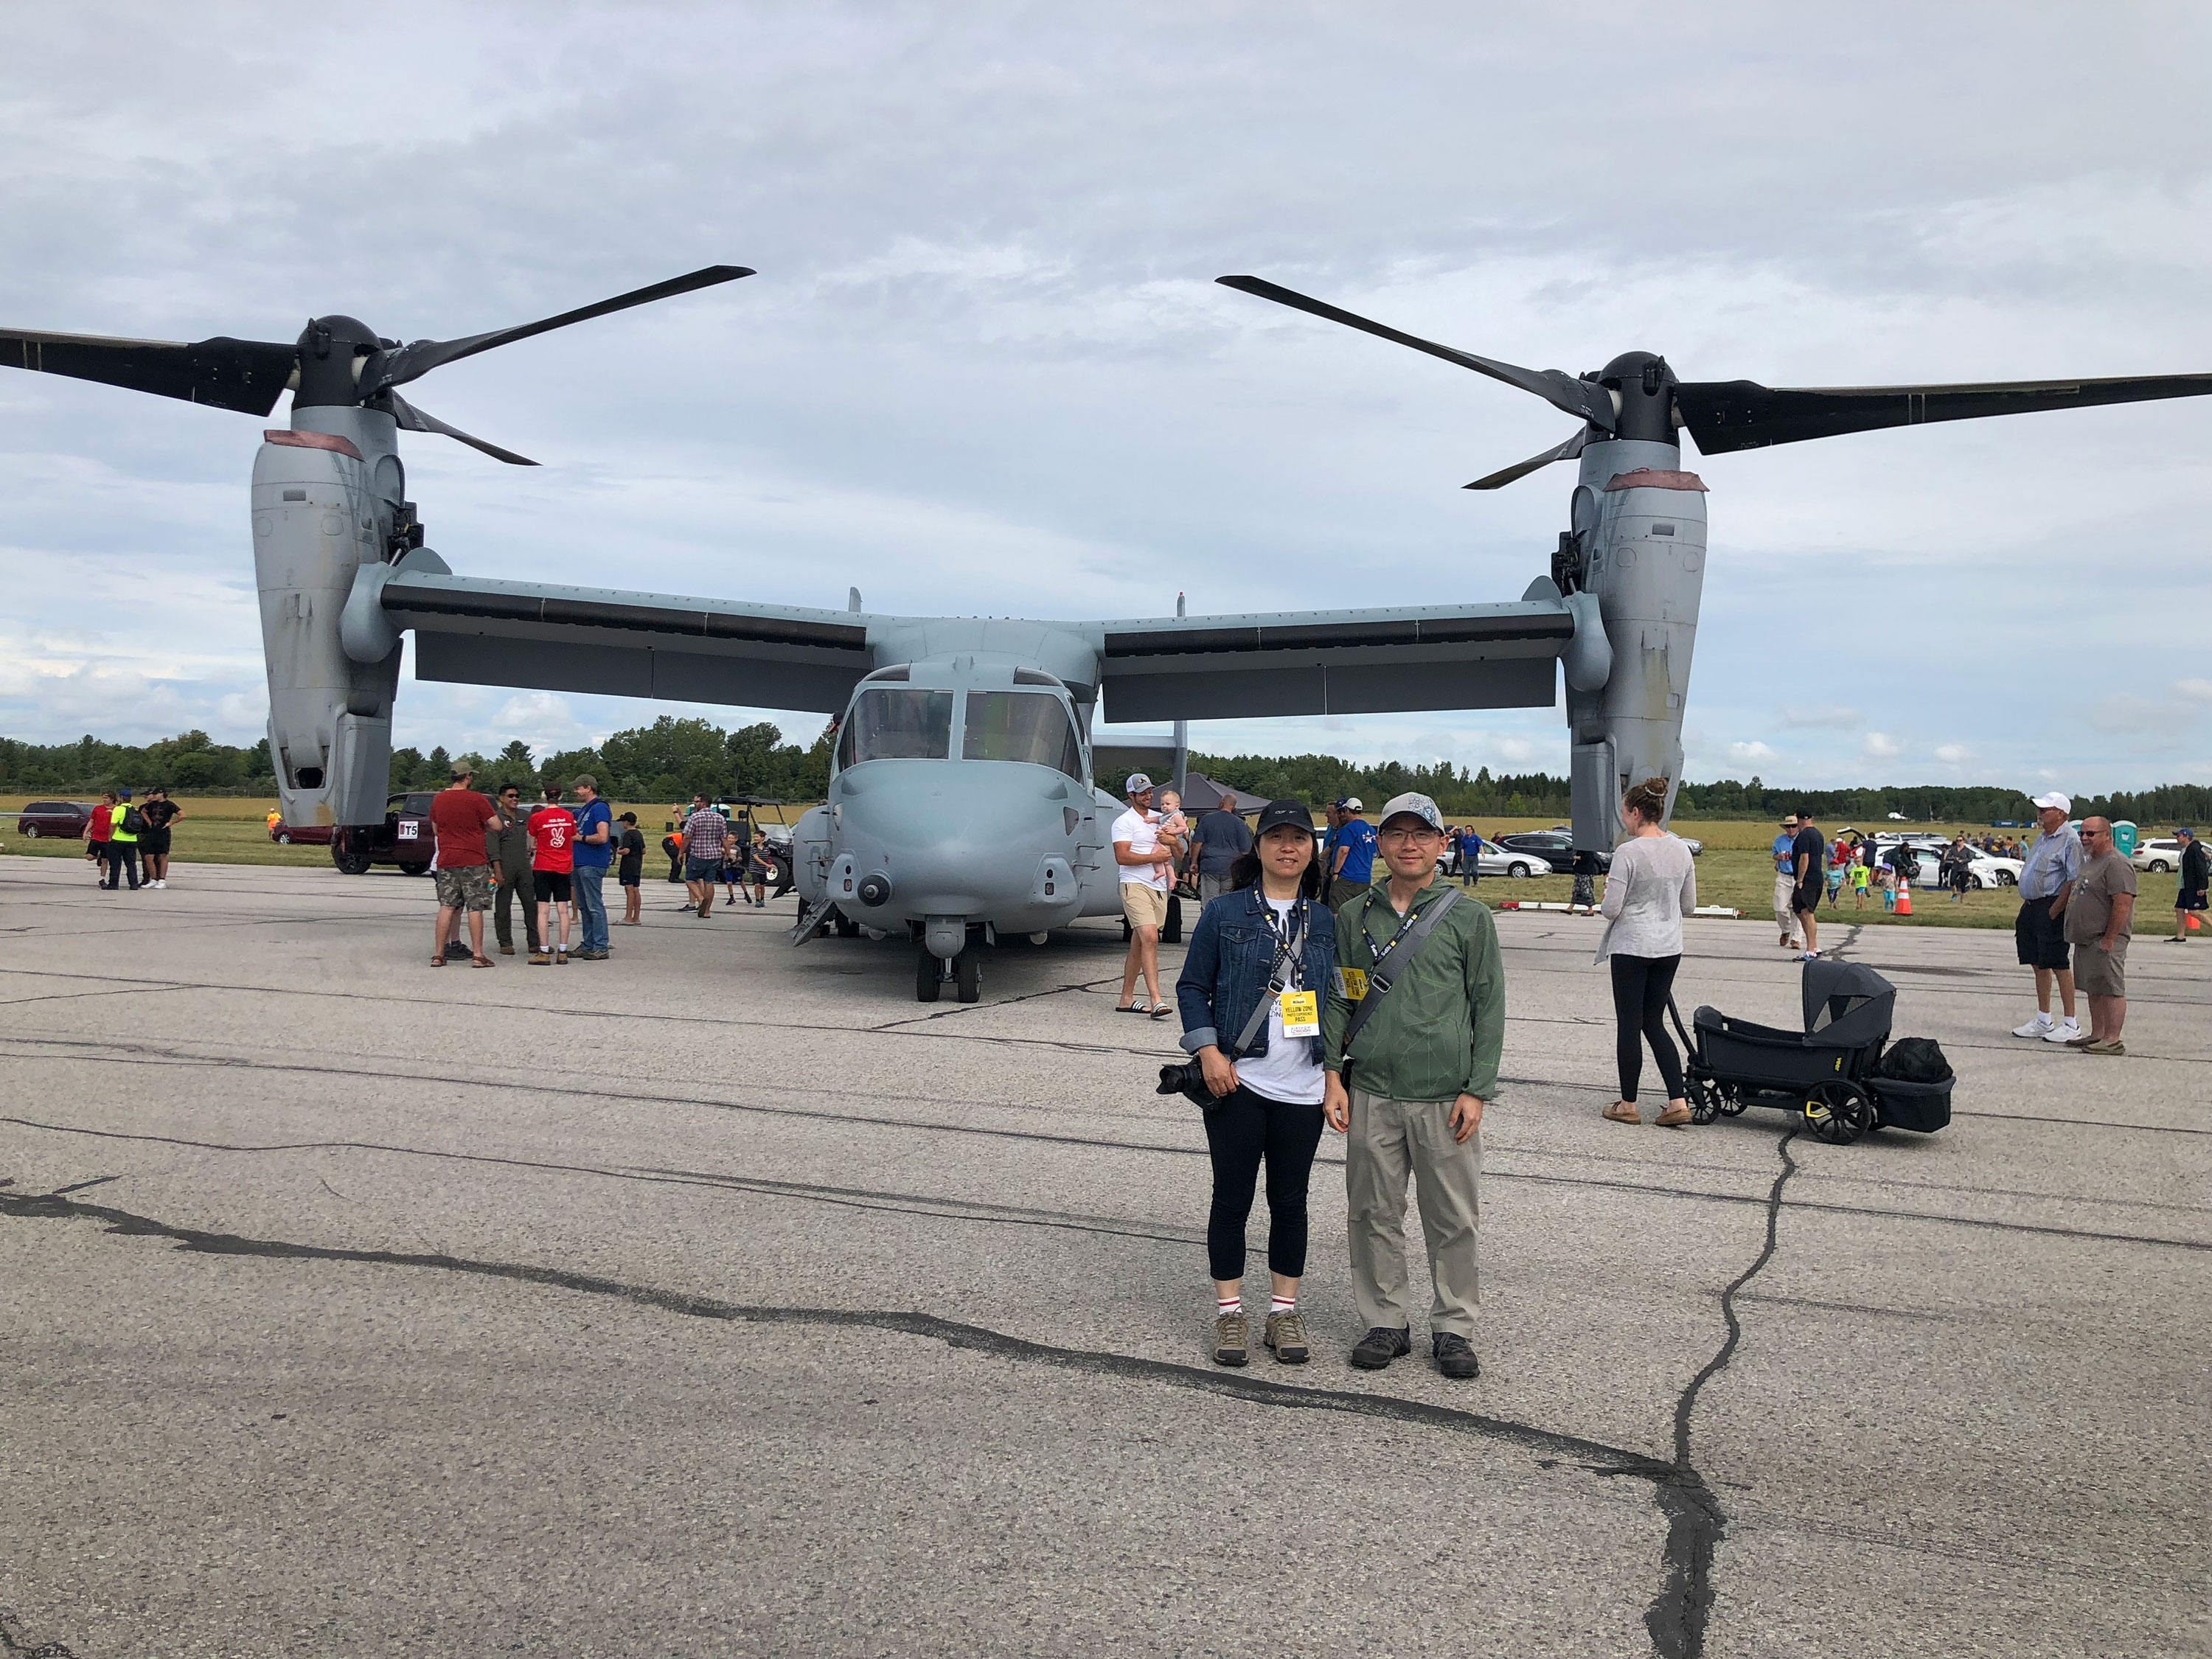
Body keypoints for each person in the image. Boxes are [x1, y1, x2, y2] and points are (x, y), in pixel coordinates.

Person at [1321, 791, 1503, 1382]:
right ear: (1379, 842)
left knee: (1453, 1219)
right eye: (1396, 834)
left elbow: (1488, 1006)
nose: (1409, 844)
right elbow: (1341, 997)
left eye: (1421, 834)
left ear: (1441, 844)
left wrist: (1477, 1088)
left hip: (1445, 1096)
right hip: (1372, 1088)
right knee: (1372, 1211)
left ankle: (1453, 1328)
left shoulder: (1468, 918)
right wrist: (1333, 1074)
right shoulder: (1355, 916)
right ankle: (1386, 1321)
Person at [1174, 799, 1337, 1368]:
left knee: (1291, 1201)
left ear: (1312, 850)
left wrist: (1337, 1075)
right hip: (1237, 1081)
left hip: (1305, 1085)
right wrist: (1209, 1051)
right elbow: (1192, 987)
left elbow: (1338, 1002)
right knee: (1232, 1198)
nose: (1288, 847)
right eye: (1276, 837)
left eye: (1299, 838)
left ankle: (1283, 1311)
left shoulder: (1325, 921)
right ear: (1259, 847)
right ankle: (1230, 1314)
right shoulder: (1225, 914)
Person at [1596, 778, 1699, 1128]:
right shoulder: (1682, 849)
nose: (1624, 820)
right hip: (1669, 946)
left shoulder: (1628, 852)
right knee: (1654, 1022)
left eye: (1625, 813)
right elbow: (1690, 905)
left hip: (1633, 946)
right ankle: (1677, 1099)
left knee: (1629, 1023)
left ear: (1636, 813)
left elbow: (1611, 909)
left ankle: (1628, 1103)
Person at [2012, 791, 2082, 1045]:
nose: (2040, 814)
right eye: (2039, 809)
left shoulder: (2070, 840)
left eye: (2045, 809)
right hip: (2032, 906)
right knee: (2037, 962)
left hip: (2051, 906)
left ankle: (2071, 1023)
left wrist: (2055, 910)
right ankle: (2044, 1019)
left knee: (2058, 963)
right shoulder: (2043, 838)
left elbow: (2073, 878)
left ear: (2061, 813)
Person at [2065, 818, 2136, 1056]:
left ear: (2107, 835)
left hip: (2105, 939)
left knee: (2111, 988)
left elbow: (2123, 903)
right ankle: (2098, 1034)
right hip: (2087, 939)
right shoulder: (2091, 860)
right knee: (2093, 987)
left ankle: (2113, 1039)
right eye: (2083, 833)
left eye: (2091, 834)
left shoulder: (2116, 864)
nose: (2085, 838)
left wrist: (2110, 938)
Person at [1112, 773, 1177, 1016]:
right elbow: (1122, 857)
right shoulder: (1123, 822)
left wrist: (1174, 841)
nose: (1149, 796)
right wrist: (1155, 858)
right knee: (1150, 937)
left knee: (1139, 944)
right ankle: (1157, 999)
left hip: (1158, 888)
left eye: (1150, 791)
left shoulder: (1160, 820)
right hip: (1134, 884)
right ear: (1131, 796)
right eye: (1142, 793)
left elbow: (1178, 852)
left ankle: (1126, 999)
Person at [427, 765, 498, 967]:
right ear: (467, 777)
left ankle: (439, 954)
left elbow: (435, 828)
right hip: (474, 860)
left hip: (447, 860)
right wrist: (479, 828)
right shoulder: (476, 799)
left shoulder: (439, 799)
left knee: (447, 906)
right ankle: (478, 955)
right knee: (475, 907)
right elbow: (496, 825)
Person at [487, 784, 540, 958]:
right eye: (511, 796)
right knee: (503, 907)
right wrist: (497, 870)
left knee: (532, 906)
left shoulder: (526, 816)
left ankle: (535, 942)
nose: (515, 799)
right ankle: (505, 942)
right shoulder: (496, 819)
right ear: (502, 798)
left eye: (517, 796)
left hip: (525, 867)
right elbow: (492, 846)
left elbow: (535, 836)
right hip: (504, 867)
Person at [527, 785, 577, 964]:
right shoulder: (568, 816)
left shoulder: (537, 818)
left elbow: (532, 843)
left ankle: (543, 951)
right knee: (563, 910)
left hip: (543, 866)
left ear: (544, 796)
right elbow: (572, 835)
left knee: (543, 910)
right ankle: (563, 951)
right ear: (561, 796)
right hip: (563, 866)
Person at [569, 774, 614, 961]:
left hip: (592, 862)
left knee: (594, 906)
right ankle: (588, 944)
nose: (576, 791)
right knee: (584, 906)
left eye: (579, 788)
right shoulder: (585, 809)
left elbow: (603, 836)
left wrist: (581, 838)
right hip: (580, 862)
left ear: (588, 788)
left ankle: (601, 945)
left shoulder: (600, 808)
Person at [1189, 796, 1253, 909]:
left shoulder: (1207, 819)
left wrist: (1194, 862)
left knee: (1209, 901)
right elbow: (1246, 849)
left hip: (1210, 866)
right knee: (1227, 902)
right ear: (1233, 807)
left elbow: (1197, 843)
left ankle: (1209, 924)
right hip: (1231, 867)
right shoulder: (1239, 823)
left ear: (1223, 802)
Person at [682, 795, 727, 918]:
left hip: (698, 854)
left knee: (690, 880)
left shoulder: (695, 817)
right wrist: (728, 853)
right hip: (715, 855)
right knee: (709, 882)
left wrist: (681, 852)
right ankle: (707, 911)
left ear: (703, 803)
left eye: (697, 802)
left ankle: (701, 899)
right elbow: (724, 838)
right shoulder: (720, 818)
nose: (695, 804)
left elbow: (687, 837)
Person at [1326, 797, 1375, 910]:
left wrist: (1336, 872)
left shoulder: (1349, 829)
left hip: (1347, 878)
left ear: (1348, 811)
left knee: (1339, 910)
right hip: (1365, 879)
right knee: (1358, 911)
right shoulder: (1371, 830)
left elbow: (1344, 851)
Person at [1790, 809, 1824, 960]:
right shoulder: (1818, 834)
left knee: (1807, 912)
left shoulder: (1804, 835)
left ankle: (1811, 950)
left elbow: (1805, 858)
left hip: (1808, 879)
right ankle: (1814, 946)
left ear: (1799, 819)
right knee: (1798, 908)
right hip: (1816, 877)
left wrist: (1800, 879)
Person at [1770, 815, 1806, 950]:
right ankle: (1786, 930)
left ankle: (1796, 939)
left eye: (1794, 826)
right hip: (1784, 875)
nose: (1791, 829)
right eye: (1788, 826)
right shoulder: (1780, 840)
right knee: (1779, 907)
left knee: (1798, 908)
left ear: (1798, 826)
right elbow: (1774, 854)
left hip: (1799, 876)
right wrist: (1778, 857)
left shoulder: (1803, 839)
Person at [2166, 827, 2207, 943]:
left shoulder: (2194, 849)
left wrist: (2202, 887)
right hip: (2184, 886)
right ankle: (2180, 936)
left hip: (2193, 886)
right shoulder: (2185, 850)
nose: (2177, 839)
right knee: (2179, 908)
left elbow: (2201, 869)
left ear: (2187, 837)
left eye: (2179, 836)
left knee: (2194, 911)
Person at [138, 787, 183, 888]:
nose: (154, 796)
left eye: (156, 794)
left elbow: (182, 815)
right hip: (152, 832)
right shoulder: (152, 804)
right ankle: (154, 879)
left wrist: (171, 823)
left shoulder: (170, 804)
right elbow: (143, 811)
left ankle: (162, 880)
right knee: (149, 856)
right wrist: (149, 822)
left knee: (162, 855)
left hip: (163, 832)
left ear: (162, 794)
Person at [102, 789, 142, 891]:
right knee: (131, 863)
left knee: (115, 863)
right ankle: (134, 884)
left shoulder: (118, 809)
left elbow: (113, 824)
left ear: (121, 798)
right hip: (132, 840)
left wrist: (110, 837)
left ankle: (113, 884)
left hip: (118, 839)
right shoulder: (134, 810)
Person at [616, 812, 646, 925]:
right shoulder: (638, 834)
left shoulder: (627, 835)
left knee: (629, 891)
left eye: (623, 821)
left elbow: (626, 850)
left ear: (627, 822)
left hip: (628, 865)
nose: (622, 824)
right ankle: (636, 917)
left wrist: (619, 851)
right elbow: (644, 850)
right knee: (636, 890)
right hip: (637, 864)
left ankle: (628, 917)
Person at [85, 790, 115, 885]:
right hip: (96, 836)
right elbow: (92, 821)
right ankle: (98, 856)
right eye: (103, 798)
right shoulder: (98, 808)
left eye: (106, 798)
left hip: (108, 838)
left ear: (112, 799)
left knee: (105, 860)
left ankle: (102, 879)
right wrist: (85, 832)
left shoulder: (116, 809)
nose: (104, 800)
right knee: (89, 857)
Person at [1943, 834, 1974, 902]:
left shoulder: (1967, 850)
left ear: (1963, 841)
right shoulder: (1953, 849)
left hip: (1964, 868)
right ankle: (1955, 893)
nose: (1959, 842)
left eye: (1960, 840)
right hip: (1955, 867)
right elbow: (1948, 857)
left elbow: (1970, 858)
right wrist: (1955, 858)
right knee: (1952, 882)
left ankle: (1962, 899)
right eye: (1957, 841)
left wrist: (1963, 861)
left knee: (1963, 884)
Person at [1569, 849, 1599, 915]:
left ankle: (1590, 910)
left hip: (1585, 872)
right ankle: (1570, 908)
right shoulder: (1580, 847)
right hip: (1579, 871)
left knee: (1586, 890)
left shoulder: (1588, 848)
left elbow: (1587, 858)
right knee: (1576, 890)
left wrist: (1577, 857)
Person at [747, 830, 772, 908]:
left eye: (757, 837)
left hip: (763, 869)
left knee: (762, 886)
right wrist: (767, 865)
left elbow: (768, 858)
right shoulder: (753, 847)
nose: (755, 838)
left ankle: (762, 899)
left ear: (762, 838)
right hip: (754, 868)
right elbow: (757, 858)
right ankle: (757, 900)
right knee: (757, 885)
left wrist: (769, 866)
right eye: (754, 837)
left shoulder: (767, 848)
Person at [1455, 824, 1484, 889]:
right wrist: (1462, 858)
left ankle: (1475, 882)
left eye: (1469, 830)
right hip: (1466, 857)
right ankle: (1466, 885)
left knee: (1474, 871)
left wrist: (1483, 853)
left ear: (1472, 830)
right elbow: (1462, 848)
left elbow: (1480, 845)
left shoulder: (1476, 837)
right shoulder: (1464, 839)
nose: (1468, 831)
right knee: (1466, 872)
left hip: (1474, 857)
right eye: (1467, 830)